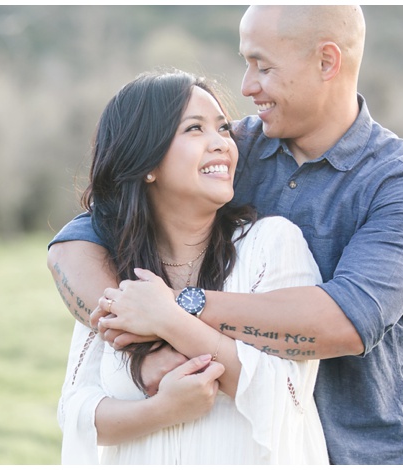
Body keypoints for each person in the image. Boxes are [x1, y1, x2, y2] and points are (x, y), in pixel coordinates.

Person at [48, 5, 403, 465]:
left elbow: (343, 323)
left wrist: (172, 311)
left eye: (263, 65)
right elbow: (78, 242)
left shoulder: (402, 184)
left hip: (358, 451)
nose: (246, 85)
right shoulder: (230, 151)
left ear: (326, 62)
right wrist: (143, 348)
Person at [55, 69, 329, 464]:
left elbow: (287, 395)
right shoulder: (113, 267)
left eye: (223, 129)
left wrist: (169, 319)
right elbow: (76, 409)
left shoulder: (272, 244)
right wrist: (161, 411)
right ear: (146, 162)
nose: (221, 144)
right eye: (195, 129)